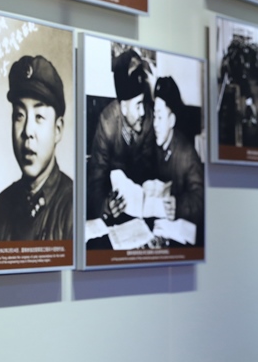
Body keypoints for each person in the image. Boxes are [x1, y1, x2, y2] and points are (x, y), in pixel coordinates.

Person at [0, 55, 73, 242]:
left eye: (39, 116)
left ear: (58, 129)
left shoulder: (73, 205)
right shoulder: (3, 205)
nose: (27, 131)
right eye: (19, 115)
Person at [86, 48, 155, 222]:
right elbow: (96, 179)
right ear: (123, 107)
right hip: (113, 205)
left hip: (138, 207)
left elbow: (149, 169)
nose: (143, 112)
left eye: (143, 103)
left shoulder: (148, 119)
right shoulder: (107, 124)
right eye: (137, 105)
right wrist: (106, 206)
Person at [150, 76, 204, 243]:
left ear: (171, 120)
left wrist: (179, 206)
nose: (155, 124)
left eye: (160, 117)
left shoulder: (187, 154)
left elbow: (201, 199)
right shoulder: (152, 145)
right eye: (154, 116)